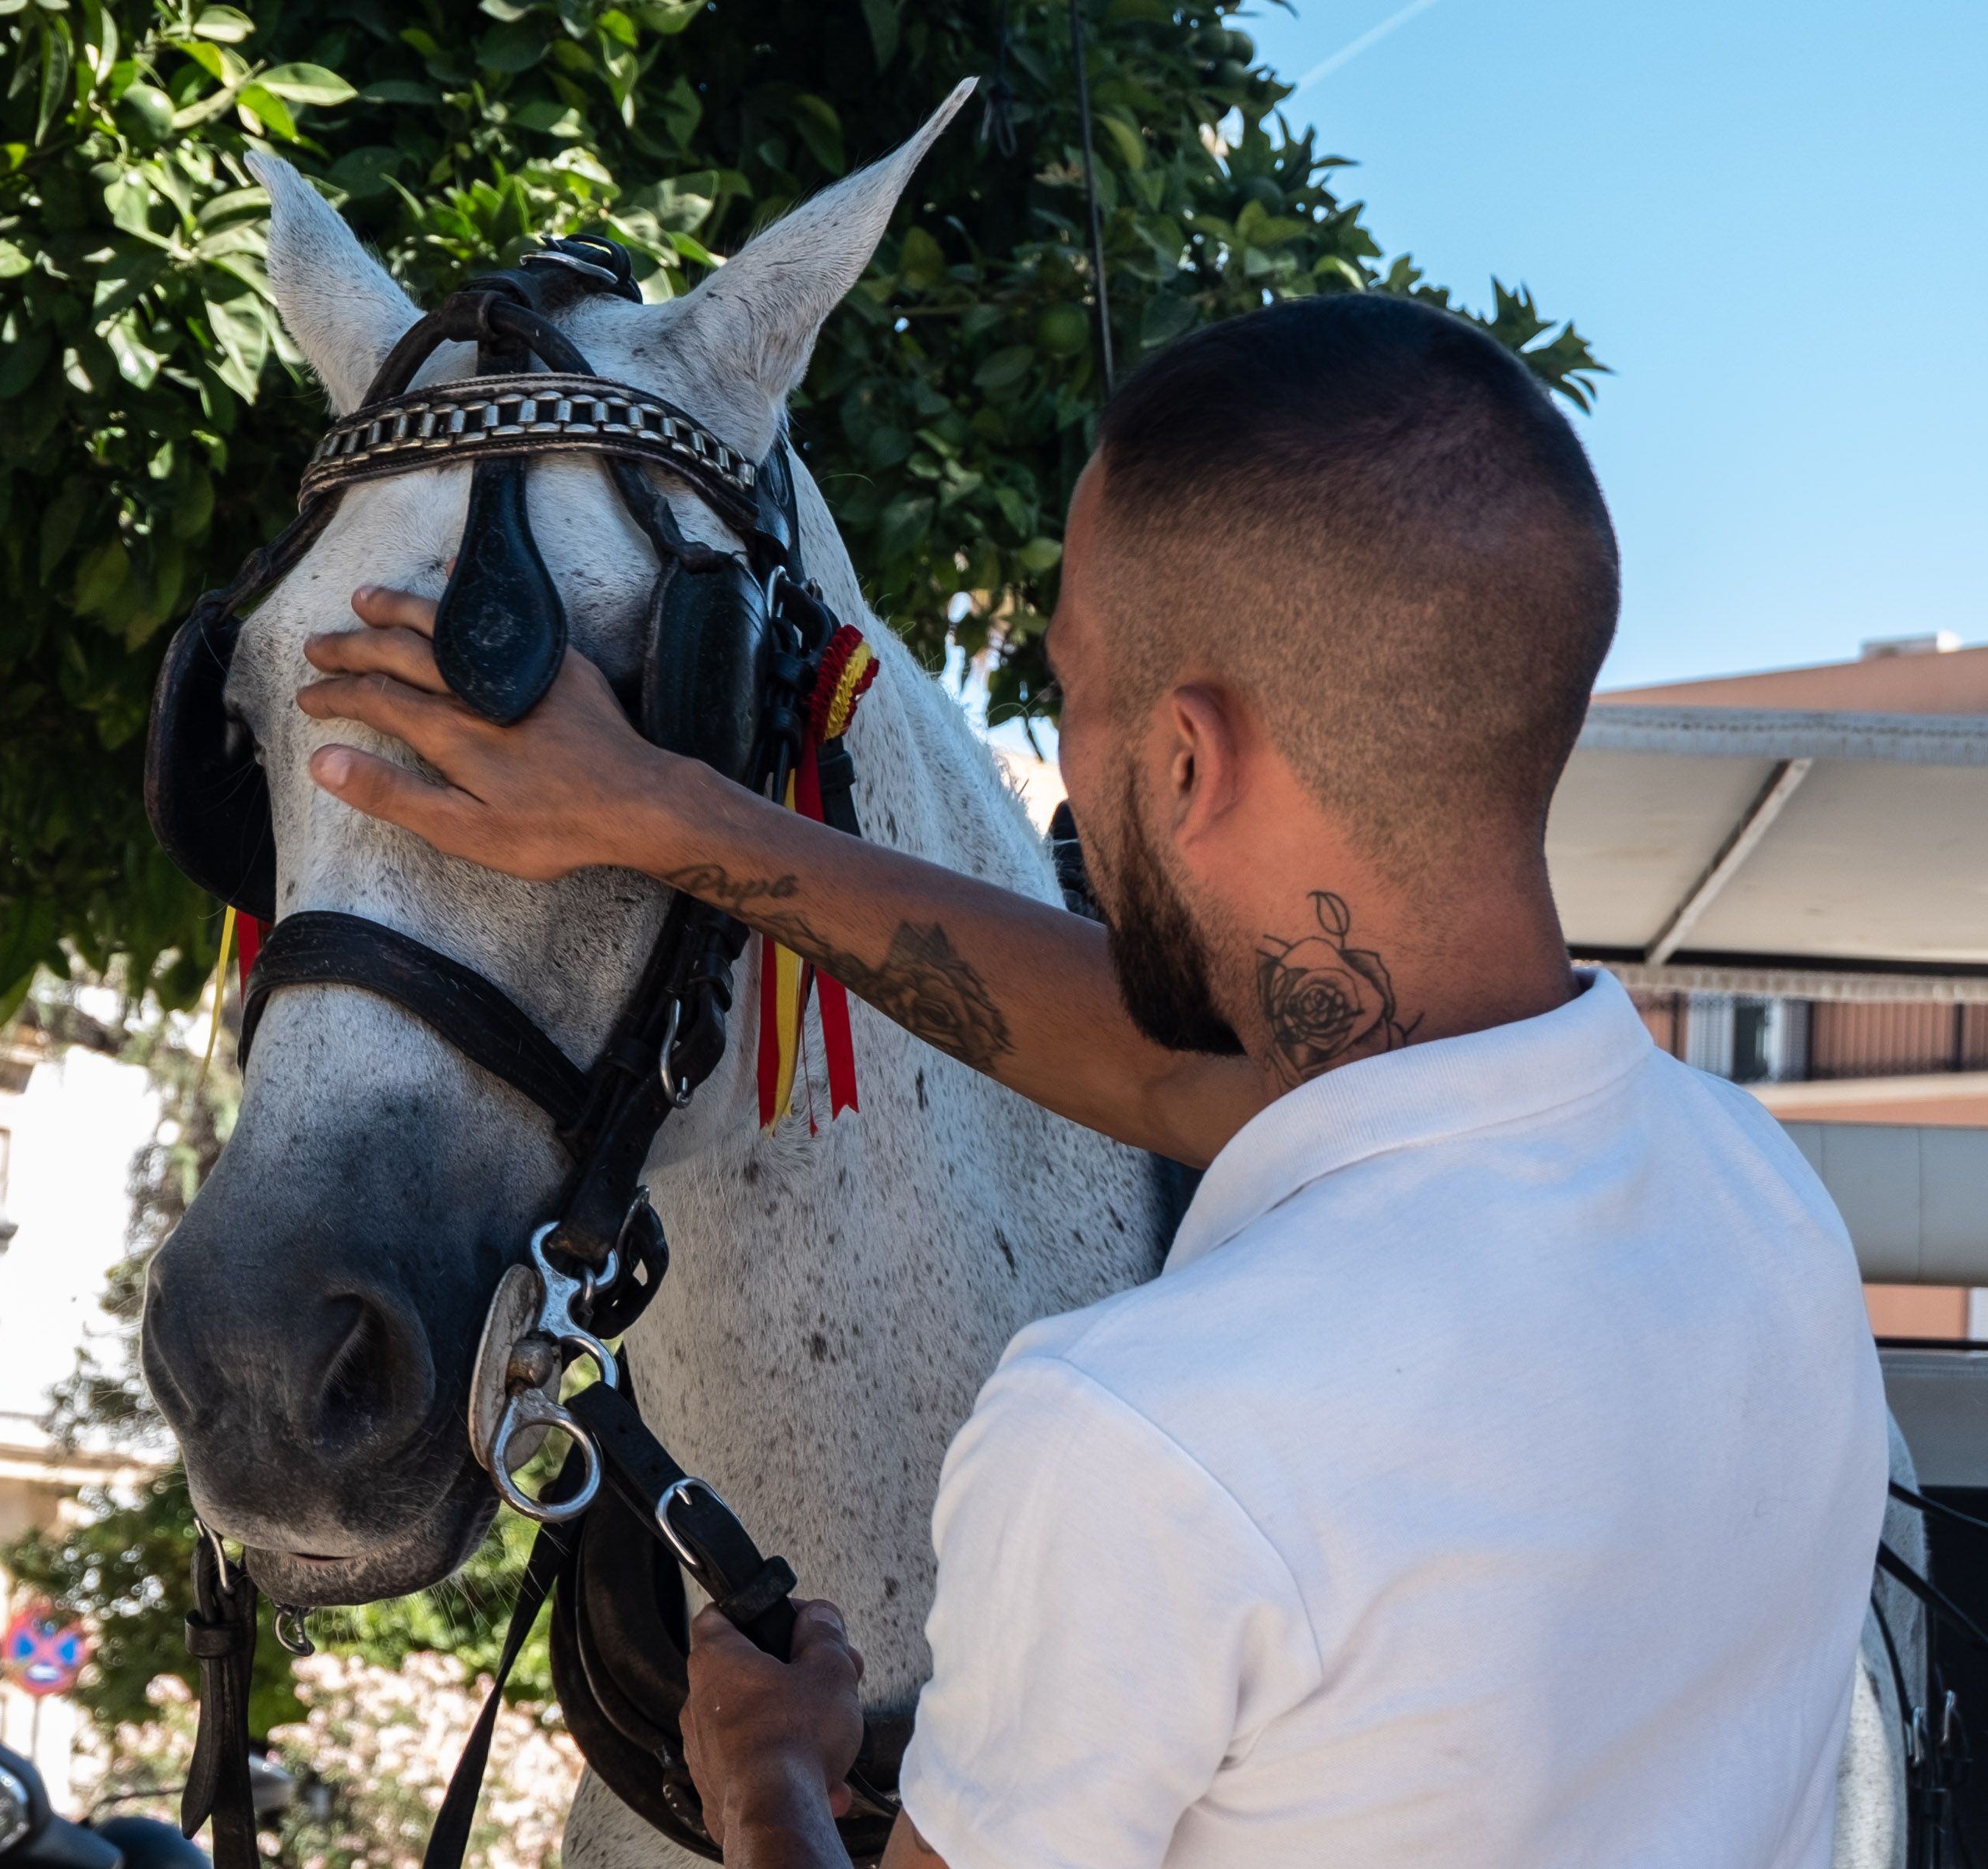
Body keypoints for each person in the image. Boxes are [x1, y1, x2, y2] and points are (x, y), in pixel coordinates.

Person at [292, 293, 1888, 1868]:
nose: (1061, 733)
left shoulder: (1145, 1440)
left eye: (1073, 685)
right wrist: (672, 817)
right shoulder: (1757, 1208)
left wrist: (767, 1781)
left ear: (1187, 760)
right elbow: (1174, 1058)